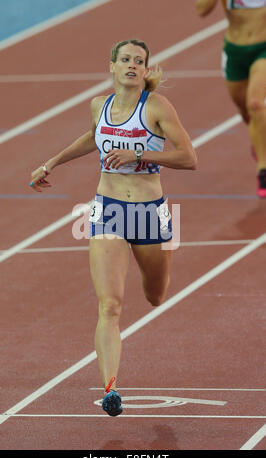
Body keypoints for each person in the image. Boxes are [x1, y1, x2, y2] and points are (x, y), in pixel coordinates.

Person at [29, 39, 197, 416]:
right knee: (109, 305)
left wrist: (140, 153)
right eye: (125, 60)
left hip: (150, 212)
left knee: (155, 295)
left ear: (147, 70)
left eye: (139, 61)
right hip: (108, 209)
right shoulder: (99, 105)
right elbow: (94, 136)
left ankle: (154, 274)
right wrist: (51, 162)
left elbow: (189, 157)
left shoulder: (155, 107)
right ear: (112, 66)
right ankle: (110, 388)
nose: (132, 66)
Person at [196, 0, 266, 197]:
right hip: (235, 52)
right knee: (245, 111)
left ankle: (263, 170)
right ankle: (257, 142)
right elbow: (201, 10)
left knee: (256, 103)